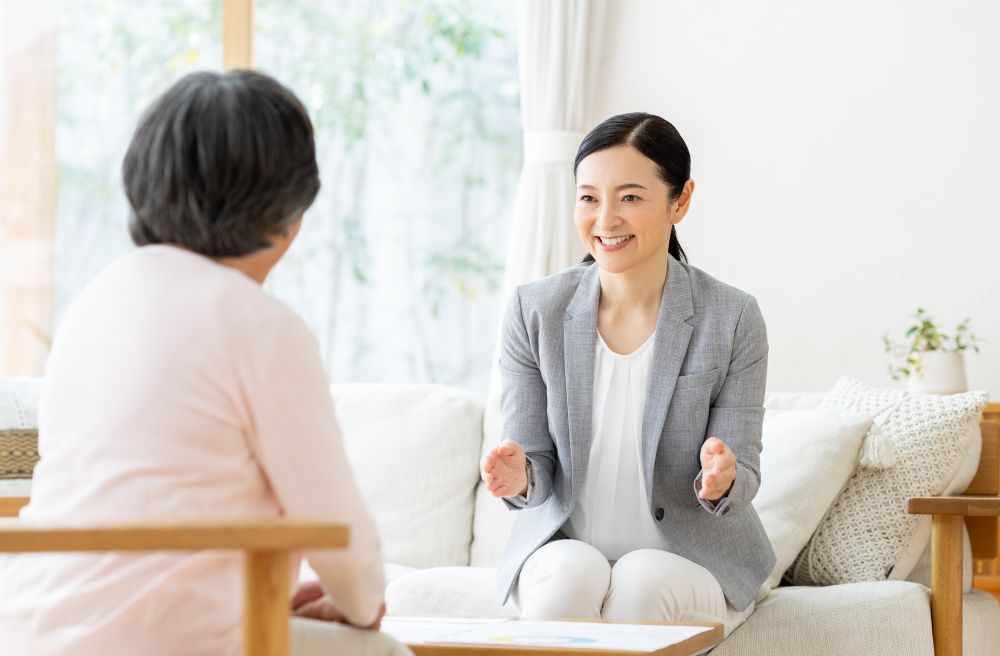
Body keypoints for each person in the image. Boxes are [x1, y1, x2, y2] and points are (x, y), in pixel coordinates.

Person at [0, 70, 411, 656]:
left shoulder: (93, 302)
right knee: (384, 651)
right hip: (169, 642)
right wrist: (358, 604)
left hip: (28, 633)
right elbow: (342, 534)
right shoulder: (262, 326)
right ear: (289, 214)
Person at [480, 112, 776, 638]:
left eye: (631, 197)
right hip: (564, 547)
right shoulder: (534, 311)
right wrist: (518, 476)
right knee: (572, 572)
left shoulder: (731, 317)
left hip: (692, 558)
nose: (606, 219)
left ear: (680, 201)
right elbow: (534, 468)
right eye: (589, 197)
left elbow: (743, 473)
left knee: (641, 581)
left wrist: (723, 478)